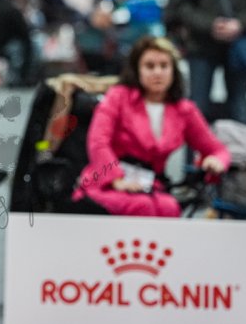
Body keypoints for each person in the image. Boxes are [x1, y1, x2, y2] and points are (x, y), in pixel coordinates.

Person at [74, 36, 230, 217]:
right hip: (103, 179)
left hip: (149, 185)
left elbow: (218, 150)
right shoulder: (117, 97)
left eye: (164, 66)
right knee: (143, 207)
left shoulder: (185, 109)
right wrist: (116, 179)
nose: (158, 72)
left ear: (174, 70)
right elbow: (98, 142)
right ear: (137, 70)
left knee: (169, 207)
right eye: (150, 66)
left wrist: (216, 161)